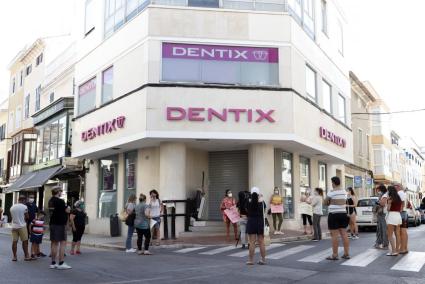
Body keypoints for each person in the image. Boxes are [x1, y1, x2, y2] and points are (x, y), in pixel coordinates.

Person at [325, 176, 350, 260]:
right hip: (343, 214)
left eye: (332, 182)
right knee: (344, 234)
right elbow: (343, 201)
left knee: (334, 235)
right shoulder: (344, 192)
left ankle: (335, 255)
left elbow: (325, 202)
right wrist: (335, 202)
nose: (331, 184)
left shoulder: (331, 192)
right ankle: (346, 254)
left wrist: (331, 201)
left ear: (334, 183)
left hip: (333, 214)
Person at [48, 186, 71, 270]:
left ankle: (53, 263)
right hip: (60, 224)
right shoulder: (60, 201)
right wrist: (68, 208)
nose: (61, 192)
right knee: (63, 243)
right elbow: (67, 210)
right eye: (61, 191)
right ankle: (61, 263)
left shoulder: (50, 200)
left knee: (54, 243)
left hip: (53, 223)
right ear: (58, 192)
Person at [246, 187, 266, 265]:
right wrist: (261, 198)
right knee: (261, 242)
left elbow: (247, 210)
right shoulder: (262, 202)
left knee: (252, 242)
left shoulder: (248, 201)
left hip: (251, 222)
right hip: (260, 222)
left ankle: (251, 260)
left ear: (251, 193)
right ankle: (263, 259)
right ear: (258, 194)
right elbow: (264, 210)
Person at [10, 196, 30, 261]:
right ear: (23, 200)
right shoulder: (24, 207)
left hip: (14, 226)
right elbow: (27, 217)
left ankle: (14, 257)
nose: (26, 202)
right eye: (25, 200)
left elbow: (12, 217)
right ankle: (26, 256)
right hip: (22, 226)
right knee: (25, 241)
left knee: (14, 241)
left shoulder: (12, 207)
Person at [386, 186, 402, 256]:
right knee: (397, 234)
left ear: (390, 191)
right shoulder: (399, 198)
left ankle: (393, 251)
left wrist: (389, 203)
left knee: (389, 235)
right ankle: (397, 250)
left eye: (388, 191)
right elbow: (401, 208)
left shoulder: (390, 198)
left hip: (392, 216)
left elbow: (388, 209)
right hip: (398, 216)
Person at [395, 184, 409, 254]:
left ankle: (403, 248)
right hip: (404, 213)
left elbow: (402, 202)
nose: (394, 187)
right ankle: (404, 248)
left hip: (401, 213)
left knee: (402, 232)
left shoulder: (400, 193)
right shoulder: (403, 193)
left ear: (398, 187)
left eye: (395, 186)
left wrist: (399, 211)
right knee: (403, 232)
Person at [374, 184, 389, 249]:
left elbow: (382, 203)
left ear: (380, 189)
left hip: (383, 213)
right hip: (380, 213)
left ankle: (385, 243)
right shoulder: (382, 195)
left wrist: (377, 203)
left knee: (383, 229)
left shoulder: (385, 195)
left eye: (378, 189)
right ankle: (379, 242)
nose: (377, 191)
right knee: (379, 229)